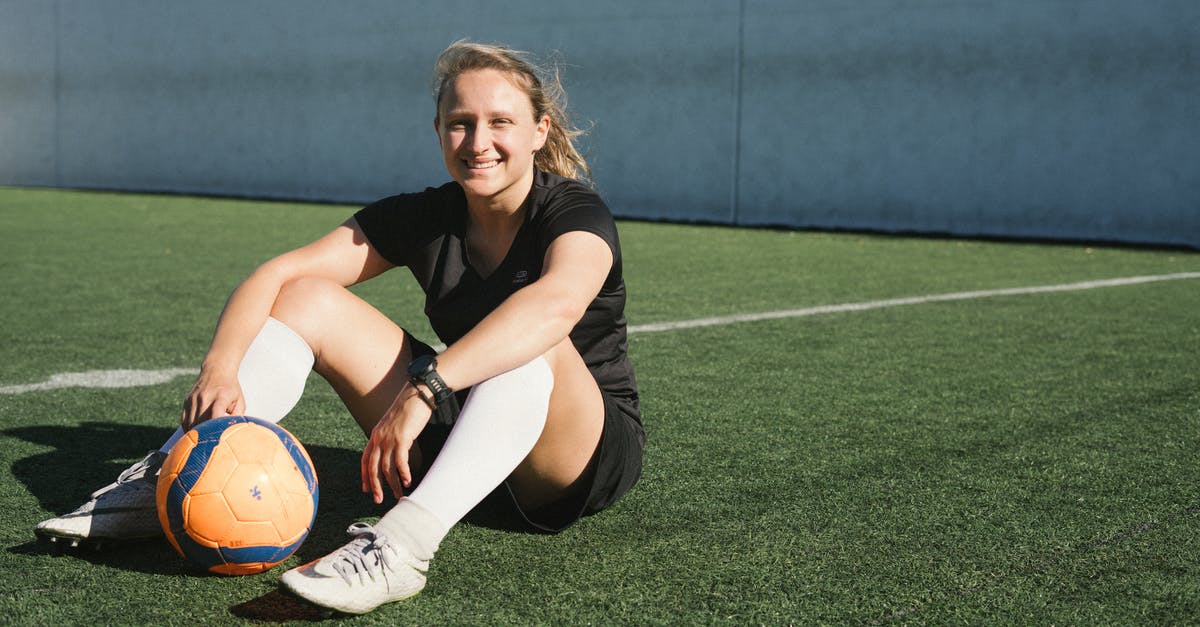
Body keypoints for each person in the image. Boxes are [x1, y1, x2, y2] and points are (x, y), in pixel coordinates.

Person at [35, 40, 644, 615]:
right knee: (306, 297)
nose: (478, 140)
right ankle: (167, 482)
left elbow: (554, 306)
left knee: (532, 345)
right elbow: (276, 276)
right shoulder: (426, 215)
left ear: (539, 131)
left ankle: (400, 548)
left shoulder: (573, 211)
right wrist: (219, 367)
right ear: (438, 131)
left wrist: (427, 385)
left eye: (500, 122)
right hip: (464, 439)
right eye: (460, 122)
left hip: (569, 461)